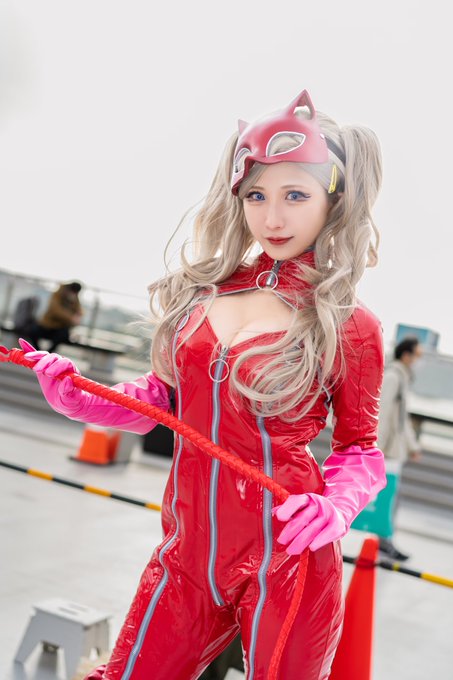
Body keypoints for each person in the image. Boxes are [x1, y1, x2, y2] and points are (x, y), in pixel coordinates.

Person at [19, 89, 387, 680]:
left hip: (289, 556)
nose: (272, 218)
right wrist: (79, 396)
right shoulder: (204, 293)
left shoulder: (348, 322)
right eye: (257, 195)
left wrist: (338, 506)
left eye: (296, 195)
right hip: (186, 553)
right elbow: (163, 401)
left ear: (334, 199)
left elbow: (360, 448)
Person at [376, 336, 423, 561]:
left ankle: (385, 540)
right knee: (388, 499)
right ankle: (384, 541)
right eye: (417, 355)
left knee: (390, 498)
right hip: (388, 452)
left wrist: (412, 446)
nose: (418, 361)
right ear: (406, 355)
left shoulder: (401, 377)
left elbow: (402, 419)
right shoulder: (394, 377)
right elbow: (382, 414)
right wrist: (377, 449)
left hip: (393, 450)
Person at [28, 281, 83, 353]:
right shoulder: (58, 294)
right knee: (32, 331)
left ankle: (48, 353)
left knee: (63, 335)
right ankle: (38, 352)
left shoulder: (74, 298)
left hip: (60, 328)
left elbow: (79, 311)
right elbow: (55, 310)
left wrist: (77, 316)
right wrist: (71, 318)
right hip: (47, 325)